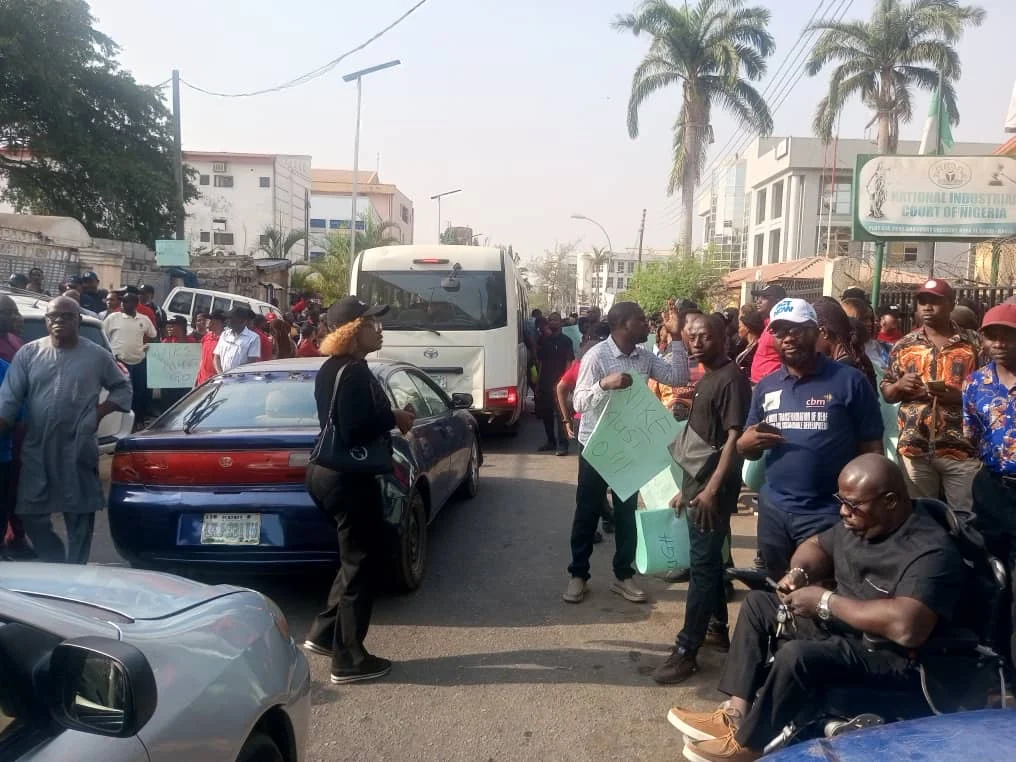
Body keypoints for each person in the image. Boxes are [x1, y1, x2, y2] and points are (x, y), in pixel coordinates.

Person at [670, 455, 966, 762]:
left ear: (889, 501)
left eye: (853, 505)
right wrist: (798, 574)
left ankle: (751, 744)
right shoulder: (861, 523)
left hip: (892, 655)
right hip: (848, 629)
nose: (843, 511)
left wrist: (825, 602)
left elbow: (907, 627)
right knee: (759, 605)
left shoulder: (930, 550)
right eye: (841, 501)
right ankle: (736, 714)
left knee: (796, 656)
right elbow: (817, 545)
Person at [303, 296, 415, 684]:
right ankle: (349, 659)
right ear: (353, 330)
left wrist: (387, 415)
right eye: (371, 323)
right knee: (362, 564)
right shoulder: (352, 372)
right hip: (348, 477)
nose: (379, 330)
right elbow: (353, 429)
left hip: (326, 473)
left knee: (353, 559)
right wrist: (393, 417)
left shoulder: (333, 368)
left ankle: (324, 633)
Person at [738, 298, 883, 579]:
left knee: (822, 588)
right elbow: (748, 445)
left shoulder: (850, 381)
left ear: (816, 332)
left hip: (828, 513)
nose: (788, 338)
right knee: (777, 585)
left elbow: (873, 452)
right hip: (775, 511)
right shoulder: (766, 386)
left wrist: (864, 508)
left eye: (796, 329)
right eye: (779, 332)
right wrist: (745, 445)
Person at [564, 301, 691, 605]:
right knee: (587, 510)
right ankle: (578, 574)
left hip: (630, 446)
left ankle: (623, 574)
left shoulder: (644, 356)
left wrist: (676, 337)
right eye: (640, 320)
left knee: (626, 512)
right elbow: (578, 402)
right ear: (623, 325)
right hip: (598, 446)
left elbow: (678, 377)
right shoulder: (597, 356)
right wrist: (604, 385)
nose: (647, 324)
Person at [653, 314, 752, 684]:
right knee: (708, 561)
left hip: (714, 491)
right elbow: (706, 439)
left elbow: (733, 440)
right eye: (691, 336)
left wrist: (709, 491)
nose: (696, 342)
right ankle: (715, 628)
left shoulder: (731, 379)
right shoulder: (709, 376)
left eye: (704, 336)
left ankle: (686, 650)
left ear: (723, 337)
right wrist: (689, 489)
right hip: (701, 486)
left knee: (703, 568)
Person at [0, 296, 132, 563]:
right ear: (46, 321)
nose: (59, 321)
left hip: (78, 445)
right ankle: (56, 561)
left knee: (79, 513)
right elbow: (9, 399)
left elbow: (123, 388)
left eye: (67, 316)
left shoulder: (97, 355)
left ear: (79, 320)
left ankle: (76, 569)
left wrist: (99, 413)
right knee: (30, 511)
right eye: (53, 317)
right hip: (37, 446)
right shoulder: (29, 353)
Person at [881, 279, 981, 513]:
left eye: (935, 301)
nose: (927, 307)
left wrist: (958, 396)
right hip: (915, 449)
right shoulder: (904, 345)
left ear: (951, 304)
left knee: (965, 517)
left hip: (961, 449)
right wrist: (900, 386)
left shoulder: (973, 343)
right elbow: (887, 393)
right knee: (922, 516)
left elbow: (989, 390)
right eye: (922, 301)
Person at [963, 302, 1016, 667]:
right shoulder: (975, 384)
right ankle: (991, 657)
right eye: (991, 335)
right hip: (992, 490)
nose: (998, 343)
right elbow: (972, 434)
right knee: (991, 573)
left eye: (1007, 335)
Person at [556, 321, 614, 541]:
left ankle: (604, 519)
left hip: (590, 424)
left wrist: (566, 419)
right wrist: (566, 419)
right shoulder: (597, 361)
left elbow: (561, 388)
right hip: (596, 425)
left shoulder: (583, 360)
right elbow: (561, 388)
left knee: (593, 480)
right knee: (596, 480)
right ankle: (599, 523)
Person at [104, 291, 156, 423]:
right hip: (119, 362)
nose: (123, 304)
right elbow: (104, 337)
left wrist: (147, 345)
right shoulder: (113, 318)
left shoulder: (144, 319)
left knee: (138, 392)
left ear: (135, 304)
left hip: (139, 361)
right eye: (122, 301)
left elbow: (153, 335)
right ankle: (120, 421)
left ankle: (137, 421)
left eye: (126, 301)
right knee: (121, 392)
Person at [812, 299, 877, 388]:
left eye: (810, 333)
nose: (808, 342)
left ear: (824, 332)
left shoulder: (840, 371)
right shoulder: (857, 356)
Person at [535, 312, 575, 455]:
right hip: (545, 383)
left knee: (561, 415)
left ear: (561, 323)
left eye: (555, 320)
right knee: (546, 414)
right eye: (550, 320)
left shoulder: (566, 341)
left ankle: (563, 445)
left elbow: (569, 362)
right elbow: (541, 363)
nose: (552, 322)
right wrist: (538, 382)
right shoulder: (544, 341)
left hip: (560, 384)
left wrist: (567, 382)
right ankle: (550, 442)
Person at [749, 284, 787, 384]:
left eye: (764, 297)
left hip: (772, 384)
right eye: (758, 297)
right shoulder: (768, 323)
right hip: (759, 384)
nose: (758, 301)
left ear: (777, 301)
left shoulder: (781, 326)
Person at [842, 297, 888, 376]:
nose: (869, 323)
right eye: (863, 319)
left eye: (870, 319)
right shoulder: (845, 352)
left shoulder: (879, 346)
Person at [213, 307, 261, 374]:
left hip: (241, 378)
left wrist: (237, 376)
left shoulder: (253, 338)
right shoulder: (224, 334)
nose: (226, 321)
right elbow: (216, 357)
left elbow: (251, 362)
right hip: (223, 377)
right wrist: (220, 374)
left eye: (230, 318)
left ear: (242, 321)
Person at [195, 311, 225, 386]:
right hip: (201, 381)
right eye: (208, 319)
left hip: (216, 382)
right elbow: (202, 359)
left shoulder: (225, 339)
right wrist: (196, 380)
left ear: (219, 322)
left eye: (211, 319)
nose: (208, 322)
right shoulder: (206, 337)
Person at [735, 308, 764, 377]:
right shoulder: (749, 345)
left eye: (740, 326)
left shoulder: (756, 348)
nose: (738, 330)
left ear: (747, 328)